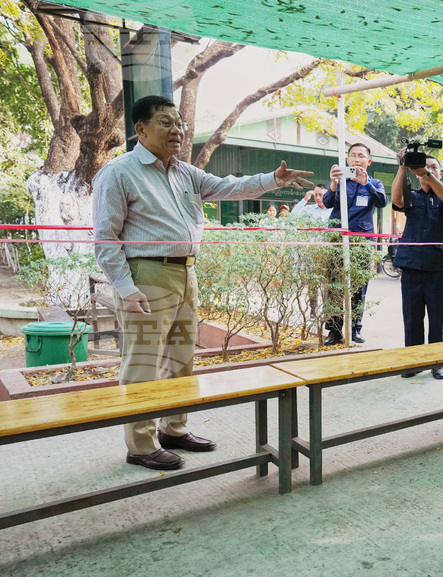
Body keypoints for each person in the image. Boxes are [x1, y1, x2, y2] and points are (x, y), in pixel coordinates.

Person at [92, 95, 313, 471]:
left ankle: (174, 428)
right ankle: (140, 443)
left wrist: (273, 179)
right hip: (146, 275)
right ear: (140, 129)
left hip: (186, 273)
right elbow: (105, 237)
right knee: (143, 361)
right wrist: (126, 289)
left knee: (181, 355)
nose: (177, 130)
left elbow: (230, 187)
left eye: (179, 123)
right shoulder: (119, 172)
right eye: (165, 122)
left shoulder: (185, 172)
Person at [390, 148, 443, 380]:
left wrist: (427, 174)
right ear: (415, 173)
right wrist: (402, 165)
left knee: (438, 318)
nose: (428, 170)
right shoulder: (412, 195)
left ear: (440, 172)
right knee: (412, 317)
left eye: (434, 167)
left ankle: (437, 361)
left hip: (439, 267)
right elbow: (396, 200)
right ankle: (413, 362)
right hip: (411, 265)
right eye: (424, 167)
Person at [322, 143, 388, 345]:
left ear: (368, 161)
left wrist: (366, 183)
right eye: (353, 155)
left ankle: (355, 328)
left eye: (361, 156)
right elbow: (327, 202)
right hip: (336, 240)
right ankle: (333, 331)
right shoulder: (340, 181)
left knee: (359, 287)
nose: (356, 159)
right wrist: (333, 183)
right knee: (334, 286)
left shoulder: (374, 183)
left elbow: (382, 201)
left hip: (361, 242)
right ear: (347, 159)